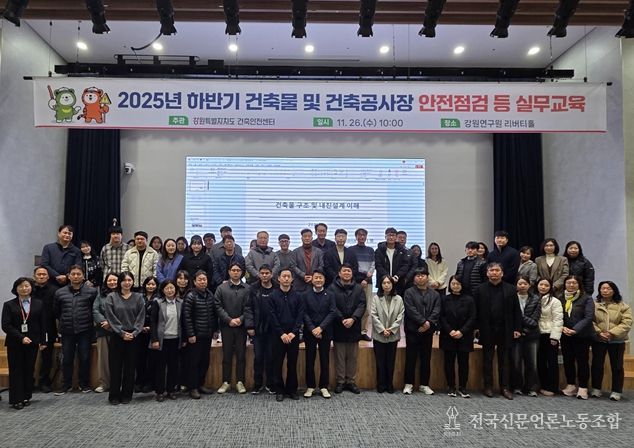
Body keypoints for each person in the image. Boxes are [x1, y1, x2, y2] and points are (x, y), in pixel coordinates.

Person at [474, 262, 522, 400]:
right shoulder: (480, 289)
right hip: (487, 329)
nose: (494, 273)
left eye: (497, 270)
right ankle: (488, 386)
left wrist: (517, 328)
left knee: (504, 360)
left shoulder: (511, 289)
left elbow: (516, 311)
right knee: (487, 359)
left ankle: (504, 387)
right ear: (487, 273)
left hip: (505, 329)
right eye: (492, 270)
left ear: (502, 273)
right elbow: (475, 310)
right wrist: (476, 328)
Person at [2, 277, 47, 409]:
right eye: (20, 286)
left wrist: (43, 340)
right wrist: (21, 337)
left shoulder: (39, 304)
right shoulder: (9, 305)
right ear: (16, 289)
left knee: (29, 369)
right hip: (15, 342)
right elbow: (6, 325)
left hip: (33, 342)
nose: (24, 288)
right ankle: (16, 399)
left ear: (31, 288)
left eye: (27, 286)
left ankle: (26, 396)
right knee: (16, 370)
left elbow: (43, 323)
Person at [53, 265, 98, 395]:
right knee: (67, 358)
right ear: (69, 276)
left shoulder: (92, 292)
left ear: (83, 276)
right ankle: (66, 385)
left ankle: (84, 384)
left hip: (85, 330)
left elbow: (94, 310)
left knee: (84, 358)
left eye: (79, 274)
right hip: (67, 330)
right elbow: (56, 312)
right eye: (73, 274)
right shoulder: (60, 292)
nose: (76, 276)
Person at [104, 272, 146, 405]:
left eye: (129, 280)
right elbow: (110, 317)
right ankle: (114, 395)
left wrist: (134, 333)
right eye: (124, 280)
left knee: (130, 367)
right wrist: (121, 333)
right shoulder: (111, 297)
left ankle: (127, 394)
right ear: (119, 282)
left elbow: (141, 317)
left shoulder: (139, 297)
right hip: (117, 336)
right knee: (115, 367)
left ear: (133, 282)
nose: (127, 283)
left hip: (133, 336)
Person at [267, 268, 304, 402]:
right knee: (277, 363)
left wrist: (294, 332)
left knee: (292, 364)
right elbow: (272, 316)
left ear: (292, 279)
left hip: (293, 336)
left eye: (289, 276)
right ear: (279, 279)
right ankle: (279, 390)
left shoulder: (298, 296)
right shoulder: (272, 296)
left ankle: (292, 390)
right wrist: (281, 333)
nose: (286, 278)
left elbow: (300, 315)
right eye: (284, 276)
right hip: (278, 336)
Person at [590, 281, 632, 401]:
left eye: (608, 288)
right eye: (602, 288)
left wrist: (612, 333)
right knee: (597, 365)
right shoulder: (594, 304)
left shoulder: (623, 306)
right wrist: (599, 332)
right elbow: (590, 320)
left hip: (617, 340)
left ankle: (616, 391)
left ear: (614, 290)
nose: (605, 291)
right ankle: (596, 389)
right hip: (599, 339)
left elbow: (627, 322)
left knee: (617, 366)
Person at [402, 267, 441, 395]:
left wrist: (428, 323)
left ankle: (424, 384)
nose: (420, 277)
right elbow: (410, 309)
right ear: (414, 278)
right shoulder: (409, 292)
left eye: (423, 275)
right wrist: (423, 322)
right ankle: (408, 383)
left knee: (426, 358)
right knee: (411, 357)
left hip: (428, 331)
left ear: (427, 277)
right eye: (418, 275)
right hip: (413, 330)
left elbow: (436, 310)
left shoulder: (435, 294)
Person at [330, 263, 366, 394]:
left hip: (354, 326)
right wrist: (341, 319)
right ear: (339, 273)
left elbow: (362, 304)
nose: (346, 273)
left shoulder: (358, 288)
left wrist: (353, 318)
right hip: (338, 325)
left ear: (352, 273)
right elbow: (332, 306)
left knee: (352, 356)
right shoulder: (332, 288)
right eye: (344, 271)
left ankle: (351, 381)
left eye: (349, 271)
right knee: (339, 356)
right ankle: (340, 381)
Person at [214, 262, 250, 394]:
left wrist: (241, 319)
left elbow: (249, 307)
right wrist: (229, 320)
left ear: (242, 272)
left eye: (238, 270)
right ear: (229, 272)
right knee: (227, 355)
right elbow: (217, 306)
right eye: (233, 270)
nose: (235, 272)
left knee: (241, 355)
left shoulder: (247, 288)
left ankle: (240, 382)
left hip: (241, 327)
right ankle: (226, 382)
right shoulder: (221, 288)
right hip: (226, 326)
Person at [182, 270, 218, 399]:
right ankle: (193, 387)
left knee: (204, 361)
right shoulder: (190, 296)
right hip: (195, 336)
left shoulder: (210, 294)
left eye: (204, 279)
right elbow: (186, 317)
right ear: (195, 281)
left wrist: (215, 330)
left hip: (207, 334)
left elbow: (214, 314)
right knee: (194, 362)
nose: (203, 282)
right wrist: (190, 334)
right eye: (200, 280)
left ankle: (200, 384)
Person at [439, 276, 476, 398]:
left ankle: (463, 387)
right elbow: (442, 317)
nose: (455, 286)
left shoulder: (469, 300)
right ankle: (451, 386)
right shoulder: (444, 299)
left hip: (464, 336)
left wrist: (461, 331)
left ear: (462, 285)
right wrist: (450, 331)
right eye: (453, 283)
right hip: (448, 335)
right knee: (448, 362)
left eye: (458, 284)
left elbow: (472, 318)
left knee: (463, 363)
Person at [559, 275, 594, 400]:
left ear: (579, 284)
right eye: (569, 282)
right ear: (565, 284)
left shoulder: (586, 298)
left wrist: (575, 330)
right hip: (565, 335)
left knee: (582, 361)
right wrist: (563, 328)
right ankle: (571, 385)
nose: (571, 285)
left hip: (582, 335)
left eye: (574, 283)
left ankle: (583, 387)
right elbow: (558, 316)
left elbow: (588, 317)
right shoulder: (560, 298)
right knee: (568, 361)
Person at [303, 270, 336, 398]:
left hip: (325, 331)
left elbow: (332, 312)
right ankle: (310, 386)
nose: (318, 280)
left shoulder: (330, 294)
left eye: (320, 278)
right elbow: (304, 313)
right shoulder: (305, 294)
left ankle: (324, 386)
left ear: (324, 280)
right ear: (312, 280)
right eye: (316, 278)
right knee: (309, 359)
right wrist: (313, 329)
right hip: (310, 332)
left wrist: (321, 328)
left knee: (324, 359)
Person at [245, 264, 276, 395]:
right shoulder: (253, 288)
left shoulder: (277, 288)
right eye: (262, 273)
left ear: (271, 274)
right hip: (257, 329)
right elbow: (248, 308)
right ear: (259, 274)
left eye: (267, 273)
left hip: (273, 329)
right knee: (258, 358)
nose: (264, 275)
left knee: (270, 357)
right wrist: (250, 326)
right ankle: (257, 384)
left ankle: (270, 384)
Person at [150, 279, 183, 402]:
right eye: (167, 288)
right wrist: (154, 339)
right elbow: (153, 322)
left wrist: (184, 338)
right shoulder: (157, 302)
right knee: (160, 367)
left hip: (176, 338)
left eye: (172, 288)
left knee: (173, 366)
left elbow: (183, 322)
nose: (170, 290)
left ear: (175, 289)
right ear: (163, 290)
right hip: (162, 339)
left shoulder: (180, 302)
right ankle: (159, 391)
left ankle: (171, 390)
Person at [371, 275, 404, 394]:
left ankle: (389, 384)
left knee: (390, 362)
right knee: (380, 362)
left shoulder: (399, 299)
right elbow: (373, 315)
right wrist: (382, 330)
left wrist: (391, 329)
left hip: (392, 335)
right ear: (380, 285)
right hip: (379, 335)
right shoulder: (376, 298)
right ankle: (380, 384)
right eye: (384, 283)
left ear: (392, 284)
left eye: (388, 283)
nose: (386, 285)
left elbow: (400, 316)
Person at [511, 275, 541, 397]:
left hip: (532, 335)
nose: (522, 286)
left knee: (532, 363)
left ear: (529, 285)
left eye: (525, 284)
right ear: (516, 285)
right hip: (515, 335)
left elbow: (534, 321)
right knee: (516, 363)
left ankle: (531, 388)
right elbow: (509, 317)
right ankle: (517, 386)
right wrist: (517, 329)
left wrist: (519, 318)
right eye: (520, 283)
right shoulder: (511, 298)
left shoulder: (536, 299)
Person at [536, 278, 563, 397]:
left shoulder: (555, 301)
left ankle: (552, 387)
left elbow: (558, 320)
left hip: (550, 334)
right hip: (538, 334)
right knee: (540, 361)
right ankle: (543, 385)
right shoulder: (535, 298)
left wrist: (555, 337)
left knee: (551, 362)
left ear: (550, 287)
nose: (543, 287)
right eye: (541, 284)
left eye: (546, 285)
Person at [31, 266, 57, 393]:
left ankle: (44, 382)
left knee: (47, 357)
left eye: (44, 274)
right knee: (30, 356)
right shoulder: (29, 289)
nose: (41, 276)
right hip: (31, 327)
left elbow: (57, 310)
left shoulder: (54, 290)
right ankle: (29, 381)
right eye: (39, 274)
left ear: (48, 276)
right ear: (34, 276)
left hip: (48, 327)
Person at [348, 228, 375, 342]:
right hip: (354, 282)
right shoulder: (350, 250)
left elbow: (373, 266)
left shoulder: (370, 250)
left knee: (366, 308)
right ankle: (354, 331)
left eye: (364, 235)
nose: (362, 237)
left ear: (366, 237)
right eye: (359, 235)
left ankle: (363, 332)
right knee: (353, 307)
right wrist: (357, 279)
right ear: (356, 237)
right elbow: (350, 267)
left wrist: (366, 279)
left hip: (367, 283)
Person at [92, 272, 118, 393]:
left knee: (119, 358)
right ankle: (104, 383)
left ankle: (119, 382)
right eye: (109, 280)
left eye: (115, 280)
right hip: (103, 330)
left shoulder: (124, 294)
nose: (112, 282)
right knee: (103, 359)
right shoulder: (100, 295)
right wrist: (104, 322)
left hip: (119, 331)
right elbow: (95, 310)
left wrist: (112, 324)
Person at [135, 276, 159, 393]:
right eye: (148, 284)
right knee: (140, 358)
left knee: (152, 359)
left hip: (153, 332)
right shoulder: (138, 296)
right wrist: (140, 327)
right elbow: (135, 313)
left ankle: (150, 383)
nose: (150, 286)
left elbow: (160, 316)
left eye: (153, 284)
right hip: (139, 331)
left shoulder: (159, 298)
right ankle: (139, 381)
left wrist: (151, 327)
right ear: (144, 285)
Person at [375, 227, 409, 296]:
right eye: (389, 235)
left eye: (393, 235)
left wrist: (397, 276)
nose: (391, 237)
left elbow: (405, 265)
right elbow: (378, 265)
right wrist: (388, 278)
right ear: (385, 237)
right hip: (383, 282)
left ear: (396, 237)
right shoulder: (379, 250)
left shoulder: (402, 251)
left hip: (398, 282)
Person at [290, 228, 324, 292]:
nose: (307, 238)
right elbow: (293, 266)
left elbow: (321, 265)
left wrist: (313, 276)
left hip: (315, 284)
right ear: (301, 238)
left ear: (312, 238)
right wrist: (303, 275)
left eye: (309, 236)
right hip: (299, 284)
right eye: (305, 236)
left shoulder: (318, 251)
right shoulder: (295, 251)